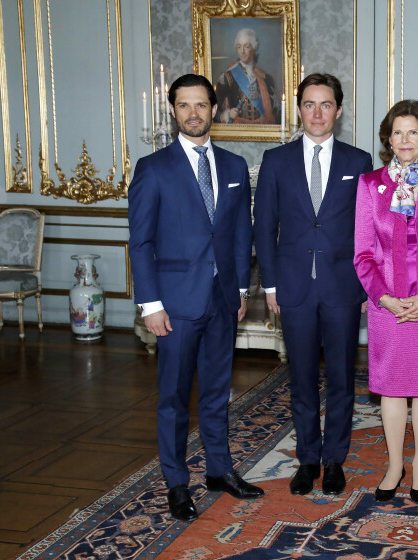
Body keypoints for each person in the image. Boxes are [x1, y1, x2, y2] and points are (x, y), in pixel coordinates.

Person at [128, 74, 262, 522]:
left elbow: (241, 233)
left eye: (200, 105)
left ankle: (220, 471)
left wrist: (241, 289)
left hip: (223, 300)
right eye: (183, 105)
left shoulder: (234, 166)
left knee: (216, 394)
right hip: (174, 305)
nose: (193, 113)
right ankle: (176, 482)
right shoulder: (153, 168)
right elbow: (141, 242)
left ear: (214, 108)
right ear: (172, 110)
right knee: (173, 398)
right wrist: (150, 304)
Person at [254, 73, 373, 496]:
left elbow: (367, 229)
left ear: (339, 111)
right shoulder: (276, 160)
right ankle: (307, 459)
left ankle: (334, 460)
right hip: (293, 288)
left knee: (341, 379)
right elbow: (264, 228)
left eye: (326, 105)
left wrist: (365, 287)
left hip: (344, 289)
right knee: (301, 379)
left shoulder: (359, 162)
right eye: (309, 104)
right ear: (299, 109)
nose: (317, 112)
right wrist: (270, 286)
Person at [354, 100, 418, 504]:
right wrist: (384, 298)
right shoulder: (369, 185)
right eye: (398, 132)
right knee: (393, 388)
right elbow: (363, 253)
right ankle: (395, 463)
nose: (405, 139)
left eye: (412, 131)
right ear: (388, 139)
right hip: (386, 306)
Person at [214, 28, 278, 124]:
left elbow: (276, 111)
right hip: (237, 132)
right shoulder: (228, 77)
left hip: (263, 132)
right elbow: (213, 109)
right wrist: (227, 114)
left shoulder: (266, 78)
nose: (242, 51)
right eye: (239, 47)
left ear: (254, 48)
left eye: (246, 46)